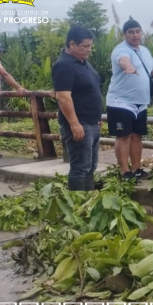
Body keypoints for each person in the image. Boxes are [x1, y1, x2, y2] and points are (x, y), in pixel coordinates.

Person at [107, 19, 153, 182]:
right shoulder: (120, 50)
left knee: (137, 136)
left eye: (138, 31)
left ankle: (136, 169)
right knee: (123, 136)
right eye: (131, 32)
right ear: (124, 34)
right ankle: (124, 172)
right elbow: (124, 60)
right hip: (121, 101)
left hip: (141, 103)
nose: (135, 35)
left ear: (141, 32)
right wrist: (127, 67)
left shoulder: (144, 51)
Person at [52, 25, 103, 191]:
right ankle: (76, 206)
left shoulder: (83, 63)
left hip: (91, 122)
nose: (89, 50)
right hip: (79, 124)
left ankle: (88, 201)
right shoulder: (64, 65)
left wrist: (96, 117)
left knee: (91, 166)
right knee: (80, 167)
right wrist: (74, 123)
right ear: (72, 44)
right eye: (85, 46)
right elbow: (63, 96)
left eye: (90, 46)